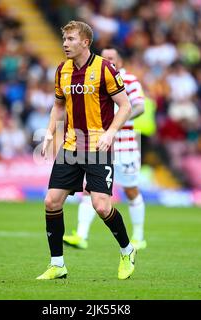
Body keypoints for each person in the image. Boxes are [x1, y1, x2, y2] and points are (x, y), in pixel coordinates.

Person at [37, 21, 134, 280]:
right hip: (71, 146)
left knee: (101, 206)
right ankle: (57, 264)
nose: (65, 44)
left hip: (97, 147)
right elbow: (58, 106)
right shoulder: (62, 70)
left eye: (70, 39)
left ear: (85, 42)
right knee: (51, 201)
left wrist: (110, 133)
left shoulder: (105, 68)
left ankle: (127, 250)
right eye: (64, 39)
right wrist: (49, 133)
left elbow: (125, 106)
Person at [63, 46, 147, 251]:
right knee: (90, 189)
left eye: (112, 58)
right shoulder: (96, 78)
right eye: (105, 58)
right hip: (99, 145)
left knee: (131, 190)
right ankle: (81, 235)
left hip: (125, 145)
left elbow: (139, 106)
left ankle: (138, 237)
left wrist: (116, 121)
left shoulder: (129, 80)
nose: (108, 61)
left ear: (120, 61)